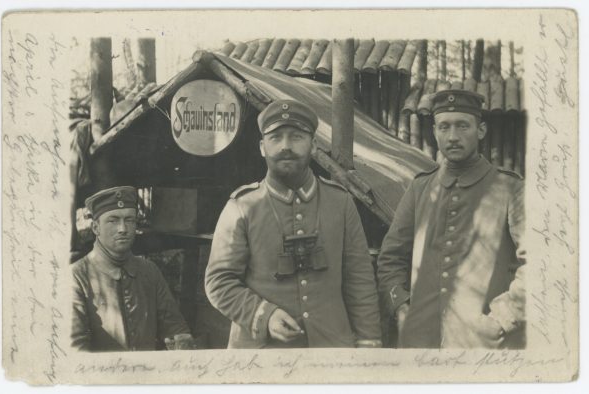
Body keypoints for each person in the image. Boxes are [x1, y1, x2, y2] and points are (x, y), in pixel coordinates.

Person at [205, 99, 382, 348]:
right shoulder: (240, 207)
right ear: (262, 147)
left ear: (314, 145)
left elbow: (360, 279)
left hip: (330, 351)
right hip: (261, 356)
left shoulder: (341, 203)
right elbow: (219, 282)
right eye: (275, 137)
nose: (285, 146)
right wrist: (265, 316)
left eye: (297, 136)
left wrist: (368, 341)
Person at [376, 89, 526, 349]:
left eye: (462, 126)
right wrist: (401, 308)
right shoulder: (420, 188)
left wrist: (503, 318)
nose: (453, 136)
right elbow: (390, 258)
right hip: (420, 344)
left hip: (484, 344)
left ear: (481, 130)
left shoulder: (510, 188)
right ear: (434, 132)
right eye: (444, 127)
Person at [71, 186, 195, 351]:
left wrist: (182, 345)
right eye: (113, 220)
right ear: (95, 228)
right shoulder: (76, 277)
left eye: (129, 220)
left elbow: (175, 328)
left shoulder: (149, 271)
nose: (122, 229)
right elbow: (76, 350)